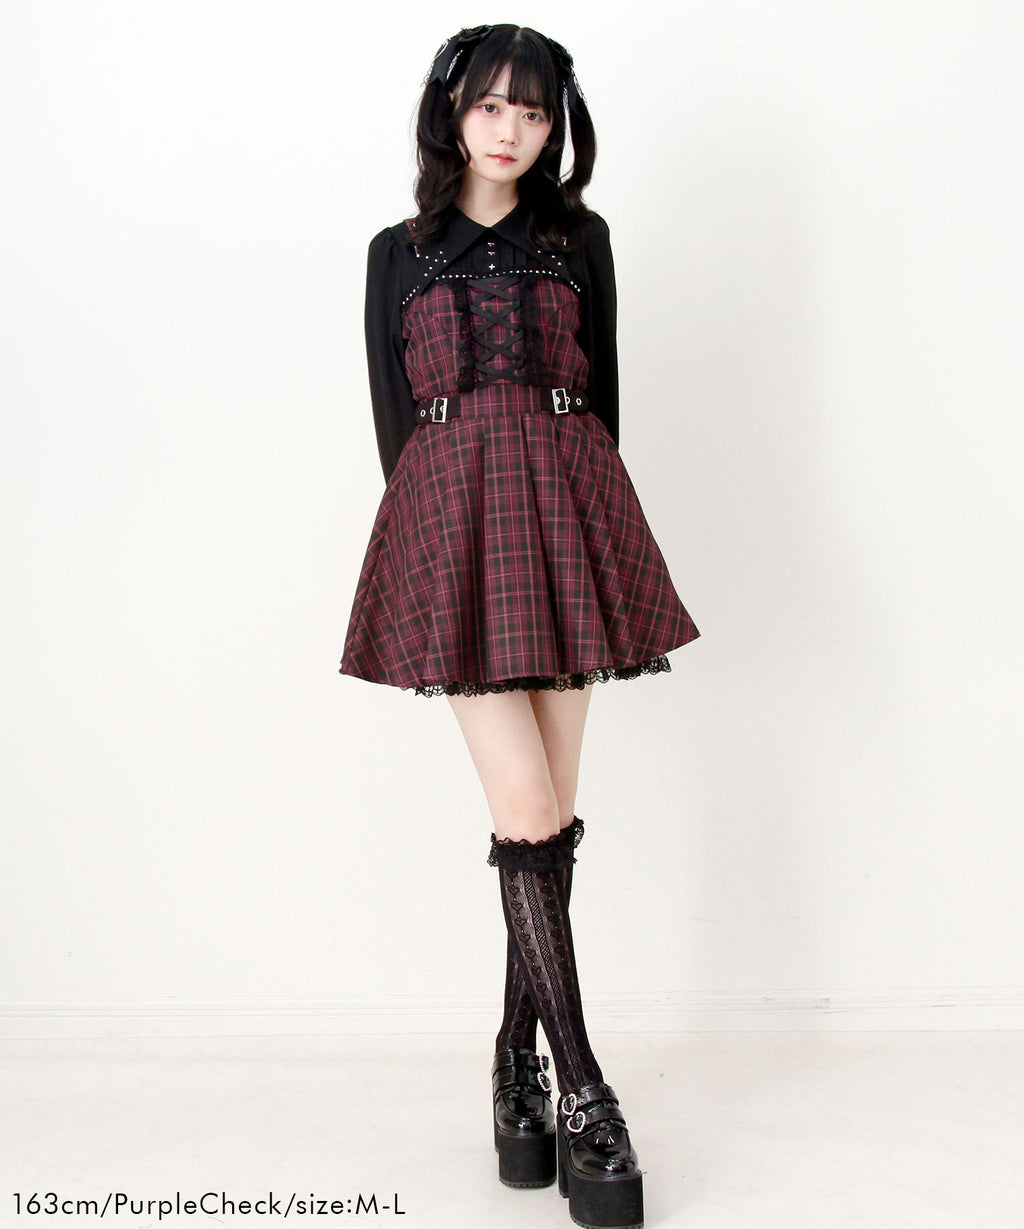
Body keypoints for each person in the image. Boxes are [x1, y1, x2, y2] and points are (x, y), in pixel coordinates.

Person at [339, 25, 699, 1229]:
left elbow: (606, 400)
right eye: (491, 105)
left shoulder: (576, 239)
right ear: (450, 111)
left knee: (542, 825)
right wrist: (438, 533)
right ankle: (582, 1084)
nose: (510, 129)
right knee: (531, 813)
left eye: (534, 112)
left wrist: (576, 515)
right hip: (455, 528)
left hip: (567, 512)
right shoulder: (397, 253)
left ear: (558, 126)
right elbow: (394, 427)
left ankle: (511, 1067)